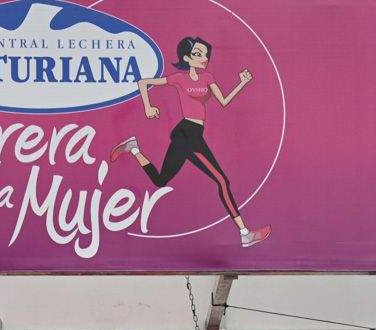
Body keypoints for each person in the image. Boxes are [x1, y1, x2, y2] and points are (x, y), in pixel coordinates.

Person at [109, 36, 270, 248]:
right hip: (187, 133)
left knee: (160, 180)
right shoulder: (179, 79)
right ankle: (244, 233)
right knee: (222, 181)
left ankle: (134, 148)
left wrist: (241, 83)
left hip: (193, 134)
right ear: (187, 58)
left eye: (205, 55)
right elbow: (143, 82)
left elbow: (223, 101)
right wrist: (148, 106)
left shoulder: (208, 77)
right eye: (198, 54)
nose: (204, 58)